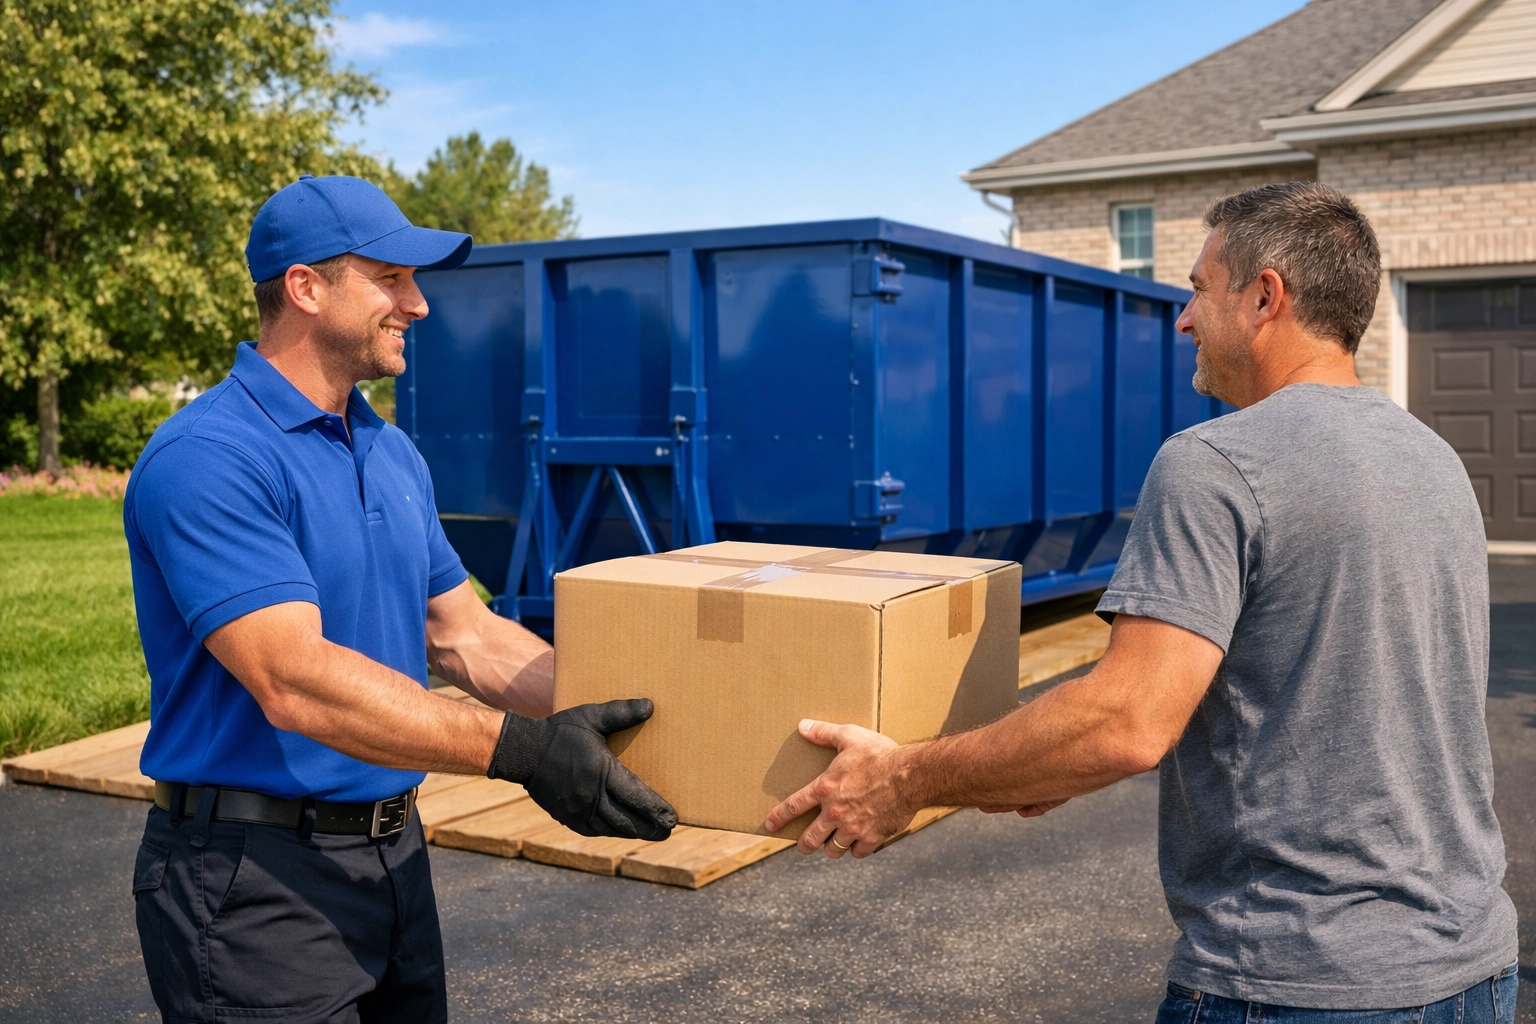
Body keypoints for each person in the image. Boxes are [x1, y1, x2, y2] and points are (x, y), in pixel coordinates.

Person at [765, 181, 1519, 1021]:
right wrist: (1032, 757)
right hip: (1473, 971)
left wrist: (904, 779)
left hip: (1304, 983)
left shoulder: (1217, 462)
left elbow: (1124, 725)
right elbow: (1323, 682)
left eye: (1199, 287)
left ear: (1265, 296)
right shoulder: (1433, 459)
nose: (1183, 317)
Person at [125, 174, 676, 1024]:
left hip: (393, 862)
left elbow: (466, 637)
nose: (417, 305)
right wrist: (526, 752)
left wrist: (646, 719)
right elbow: (292, 678)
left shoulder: (386, 448)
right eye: (391, 278)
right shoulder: (210, 456)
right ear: (306, 287)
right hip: (250, 881)